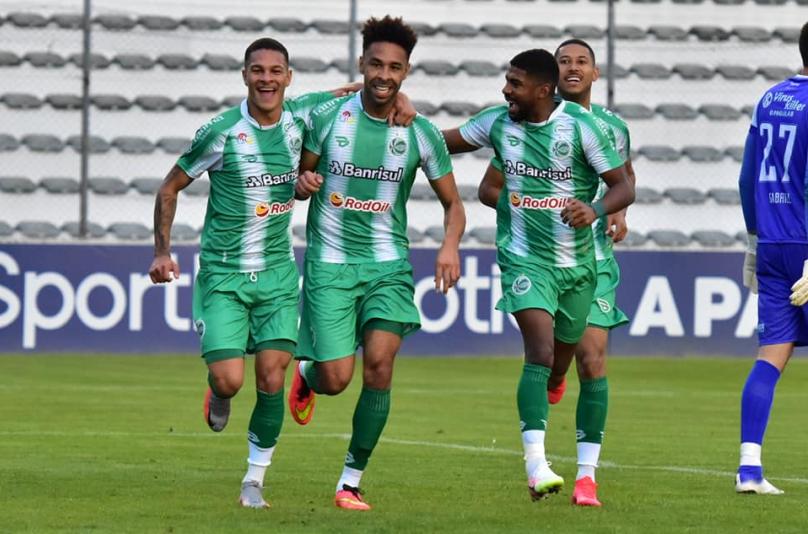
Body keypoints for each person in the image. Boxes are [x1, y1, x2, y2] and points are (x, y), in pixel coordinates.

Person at [147, 37, 398, 509]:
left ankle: (253, 481)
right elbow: (169, 187)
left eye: (275, 70)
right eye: (257, 70)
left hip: (279, 278)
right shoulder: (221, 132)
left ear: (288, 76)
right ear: (245, 76)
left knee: (270, 379)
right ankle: (217, 393)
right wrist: (162, 251)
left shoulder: (302, 116)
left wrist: (400, 99)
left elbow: (364, 90)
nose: (266, 78)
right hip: (224, 275)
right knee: (229, 380)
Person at [288, 15, 465, 511]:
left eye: (395, 67)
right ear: (361, 64)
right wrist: (303, 185)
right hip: (331, 266)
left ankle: (350, 480)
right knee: (337, 378)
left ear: (407, 71)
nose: (385, 75)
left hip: (389, 267)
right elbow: (300, 175)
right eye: (376, 65)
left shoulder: (420, 131)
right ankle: (307, 374)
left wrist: (449, 246)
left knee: (381, 366)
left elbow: (455, 204)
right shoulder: (328, 118)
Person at [441, 48, 634, 502]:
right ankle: (540, 466)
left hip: (581, 264)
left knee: (567, 356)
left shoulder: (591, 129)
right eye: (506, 82)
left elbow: (624, 184)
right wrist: (399, 116)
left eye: (514, 83)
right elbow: (440, 142)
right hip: (525, 258)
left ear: (542, 90)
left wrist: (598, 209)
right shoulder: (501, 124)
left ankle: (558, 398)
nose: (506, 90)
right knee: (542, 350)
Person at [536, 38, 637, 507]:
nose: (573, 68)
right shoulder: (535, 120)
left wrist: (612, 213)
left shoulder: (612, 127)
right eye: (564, 62)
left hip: (594, 259)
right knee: (558, 357)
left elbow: (624, 178)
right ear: (552, 74)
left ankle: (585, 477)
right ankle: (555, 375)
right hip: (544, 256)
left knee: (593, 360)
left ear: (596, 74)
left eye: (582, 62)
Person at [736, 21, 808, 496]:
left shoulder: (770, 99)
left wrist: (754, 239)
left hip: (773, 243)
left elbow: (747, 178)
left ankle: (749, 468)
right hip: (805, 243)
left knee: (770, 357)